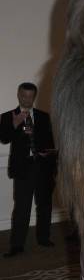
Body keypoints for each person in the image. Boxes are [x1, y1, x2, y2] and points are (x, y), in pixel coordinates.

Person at [1, 82, 56, 258]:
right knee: (22, 208)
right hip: (23, 169)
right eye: (23, 95)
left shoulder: (43, 117)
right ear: (18, 95)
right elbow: (4, 139)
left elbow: (51, 142)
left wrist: (50, 155)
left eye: (30, 96)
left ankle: (43, 238)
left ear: (34, 97)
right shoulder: (8, 116)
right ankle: (17, 245)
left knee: (44, 205)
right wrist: (14, 124)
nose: (26, 99)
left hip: (43, 168)